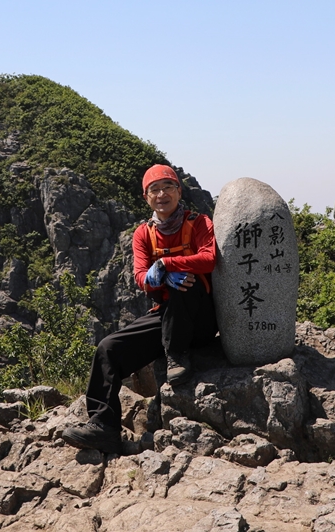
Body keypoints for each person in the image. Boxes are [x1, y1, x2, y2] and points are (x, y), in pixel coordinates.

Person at [61, 164, 218, 454]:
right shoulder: (144, 234)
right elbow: (140, 277)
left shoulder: (198, 223)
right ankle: (104, 426)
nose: (161, 194)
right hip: (168, 315)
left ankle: (177, 354)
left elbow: (209, 258)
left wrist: (168, 264)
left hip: (201, 317)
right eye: (154, 190)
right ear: (146, 198)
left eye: (168, 187)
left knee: (184, 281)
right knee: (108, 348)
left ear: (179, 192)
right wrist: (155, 278)